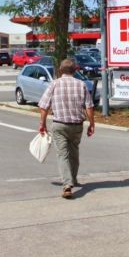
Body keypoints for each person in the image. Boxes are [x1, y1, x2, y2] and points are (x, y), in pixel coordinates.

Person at [38, 58, 95, 199]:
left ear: (60, 70)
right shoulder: (81, 84)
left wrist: (42, 124)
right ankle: (73, 179)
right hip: (77, 125)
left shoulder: (54, 84)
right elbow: (89, 106)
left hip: (59, 124)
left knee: (63, 154)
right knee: (74, 152)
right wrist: (92, 124)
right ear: (75, 70)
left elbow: (43, 106)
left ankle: (67, 184)